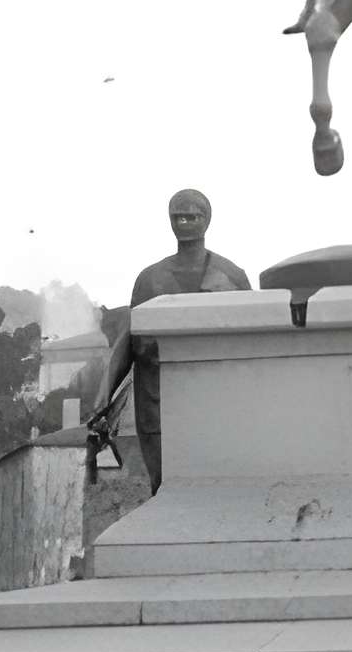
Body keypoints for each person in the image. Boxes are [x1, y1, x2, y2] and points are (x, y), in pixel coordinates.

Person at [88, 190, 252, 493]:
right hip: (158, 399)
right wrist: (103, 399)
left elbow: (251, 346)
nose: (186, 222)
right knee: (165, 487)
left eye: (193, 216)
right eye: (179, 216)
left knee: (221, 485)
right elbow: (129, 339)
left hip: (218, 398)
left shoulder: (232, 277)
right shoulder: (149, 279)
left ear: (208, 220)